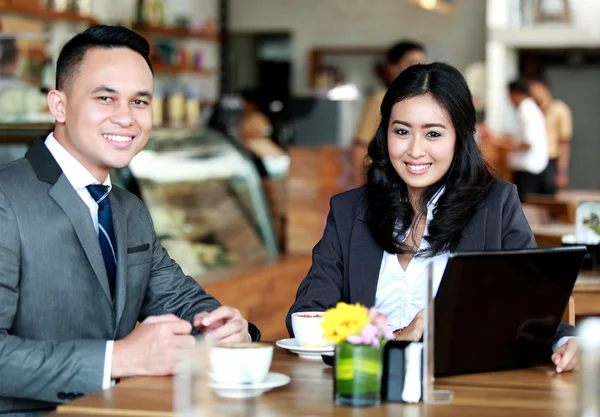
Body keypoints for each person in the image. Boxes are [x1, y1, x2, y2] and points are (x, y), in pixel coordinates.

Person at [0, 26, 258, 416]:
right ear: (59, 105)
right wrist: (118, 358)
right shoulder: (6, 199)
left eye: (140, 102)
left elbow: (179, 298)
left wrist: (222, 327)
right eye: (105, 98)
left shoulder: (127, 207)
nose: (126, 118)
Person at [287, 63, 578, 374]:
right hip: (362, 387)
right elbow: (307, 315)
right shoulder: (349, 210)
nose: (415, 150)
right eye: (401, 131)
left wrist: (565, 341)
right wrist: (396, 339)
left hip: (466, 393)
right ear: (385, 134)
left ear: (460, 138)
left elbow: (533, 307)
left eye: (433, 134)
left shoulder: (496, 206)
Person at [350, 40, 425, 186]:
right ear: (392, 67)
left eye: (421, 64)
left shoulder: (417, 99)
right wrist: (359, 187)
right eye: (410, 63)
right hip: (381, 181)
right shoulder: (382, 98)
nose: (417, 69)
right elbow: (360, 145)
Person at [505, 79, 549, 202]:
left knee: (525, 209)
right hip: (525, 168)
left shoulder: (527, 110)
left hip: (528, 169)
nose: (509, 99)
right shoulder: (525, 109)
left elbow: (528, 143)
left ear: (516, 93)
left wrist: (507, 146)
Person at [529, 77, 573, 193]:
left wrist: (562, 172)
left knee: (549, 197)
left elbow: (564, 142)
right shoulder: (531, 110)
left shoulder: (560, 110)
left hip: (551, 160)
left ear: (545, 88)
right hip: (532, 161)